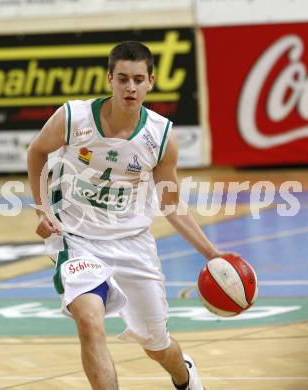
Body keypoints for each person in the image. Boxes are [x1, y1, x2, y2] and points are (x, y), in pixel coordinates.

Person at [27, 41, 236, 390]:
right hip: (78, 240)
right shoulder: (73, 118)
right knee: (90, 322)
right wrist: (41, 208)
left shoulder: (161, 136)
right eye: (122, 78)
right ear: (109, 78)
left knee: (157, 346)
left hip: (133, 245)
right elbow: (36, 152)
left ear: (151, 81)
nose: (130, 87)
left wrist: (211, 253)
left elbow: (170, 203)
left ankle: (183, 374)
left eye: (138, 79)